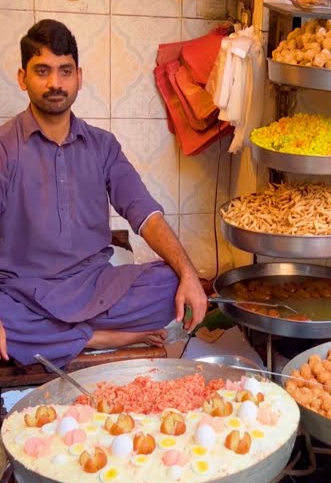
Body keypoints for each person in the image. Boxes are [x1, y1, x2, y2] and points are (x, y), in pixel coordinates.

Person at [0, 19, 207, 367]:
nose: (55, 83)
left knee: (171, 283)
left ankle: (56, 337)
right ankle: (100, 338)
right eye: (42, 71)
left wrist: (187, 273)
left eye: (65, 71)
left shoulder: (102, 146)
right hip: (24, 293)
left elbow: (145, 213)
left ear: (79, 76)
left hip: (95, 287)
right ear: (23, 78)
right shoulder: (5, 148)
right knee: (8, 319)